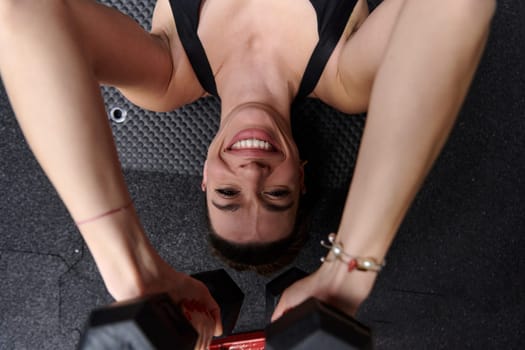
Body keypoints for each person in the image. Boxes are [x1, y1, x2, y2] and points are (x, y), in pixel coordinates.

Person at [0, 0, 495, 347]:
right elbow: (454, 6)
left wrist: (130, 268)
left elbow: (23, 14)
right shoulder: (346, 77)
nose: (253, 172)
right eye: (277, 193)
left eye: (229, 194)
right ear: (301, 174)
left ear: (205, 175)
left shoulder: (167, 75)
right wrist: (349, 271)